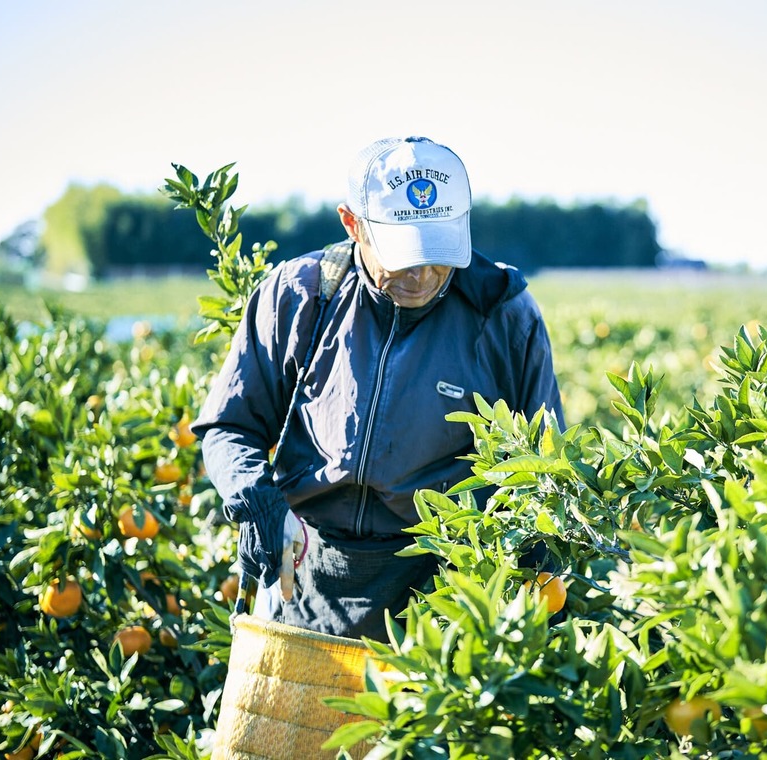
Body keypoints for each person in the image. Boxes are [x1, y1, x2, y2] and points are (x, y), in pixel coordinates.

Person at [192, 136, 564, 640]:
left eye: (438, 252)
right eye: (404, 254)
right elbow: (228, 425)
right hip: (303, 576)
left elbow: (545, 469)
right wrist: (257, 501)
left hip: (437, 593)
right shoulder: (299, 294)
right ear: (352, 224)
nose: (424, 273)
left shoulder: (502, 316)